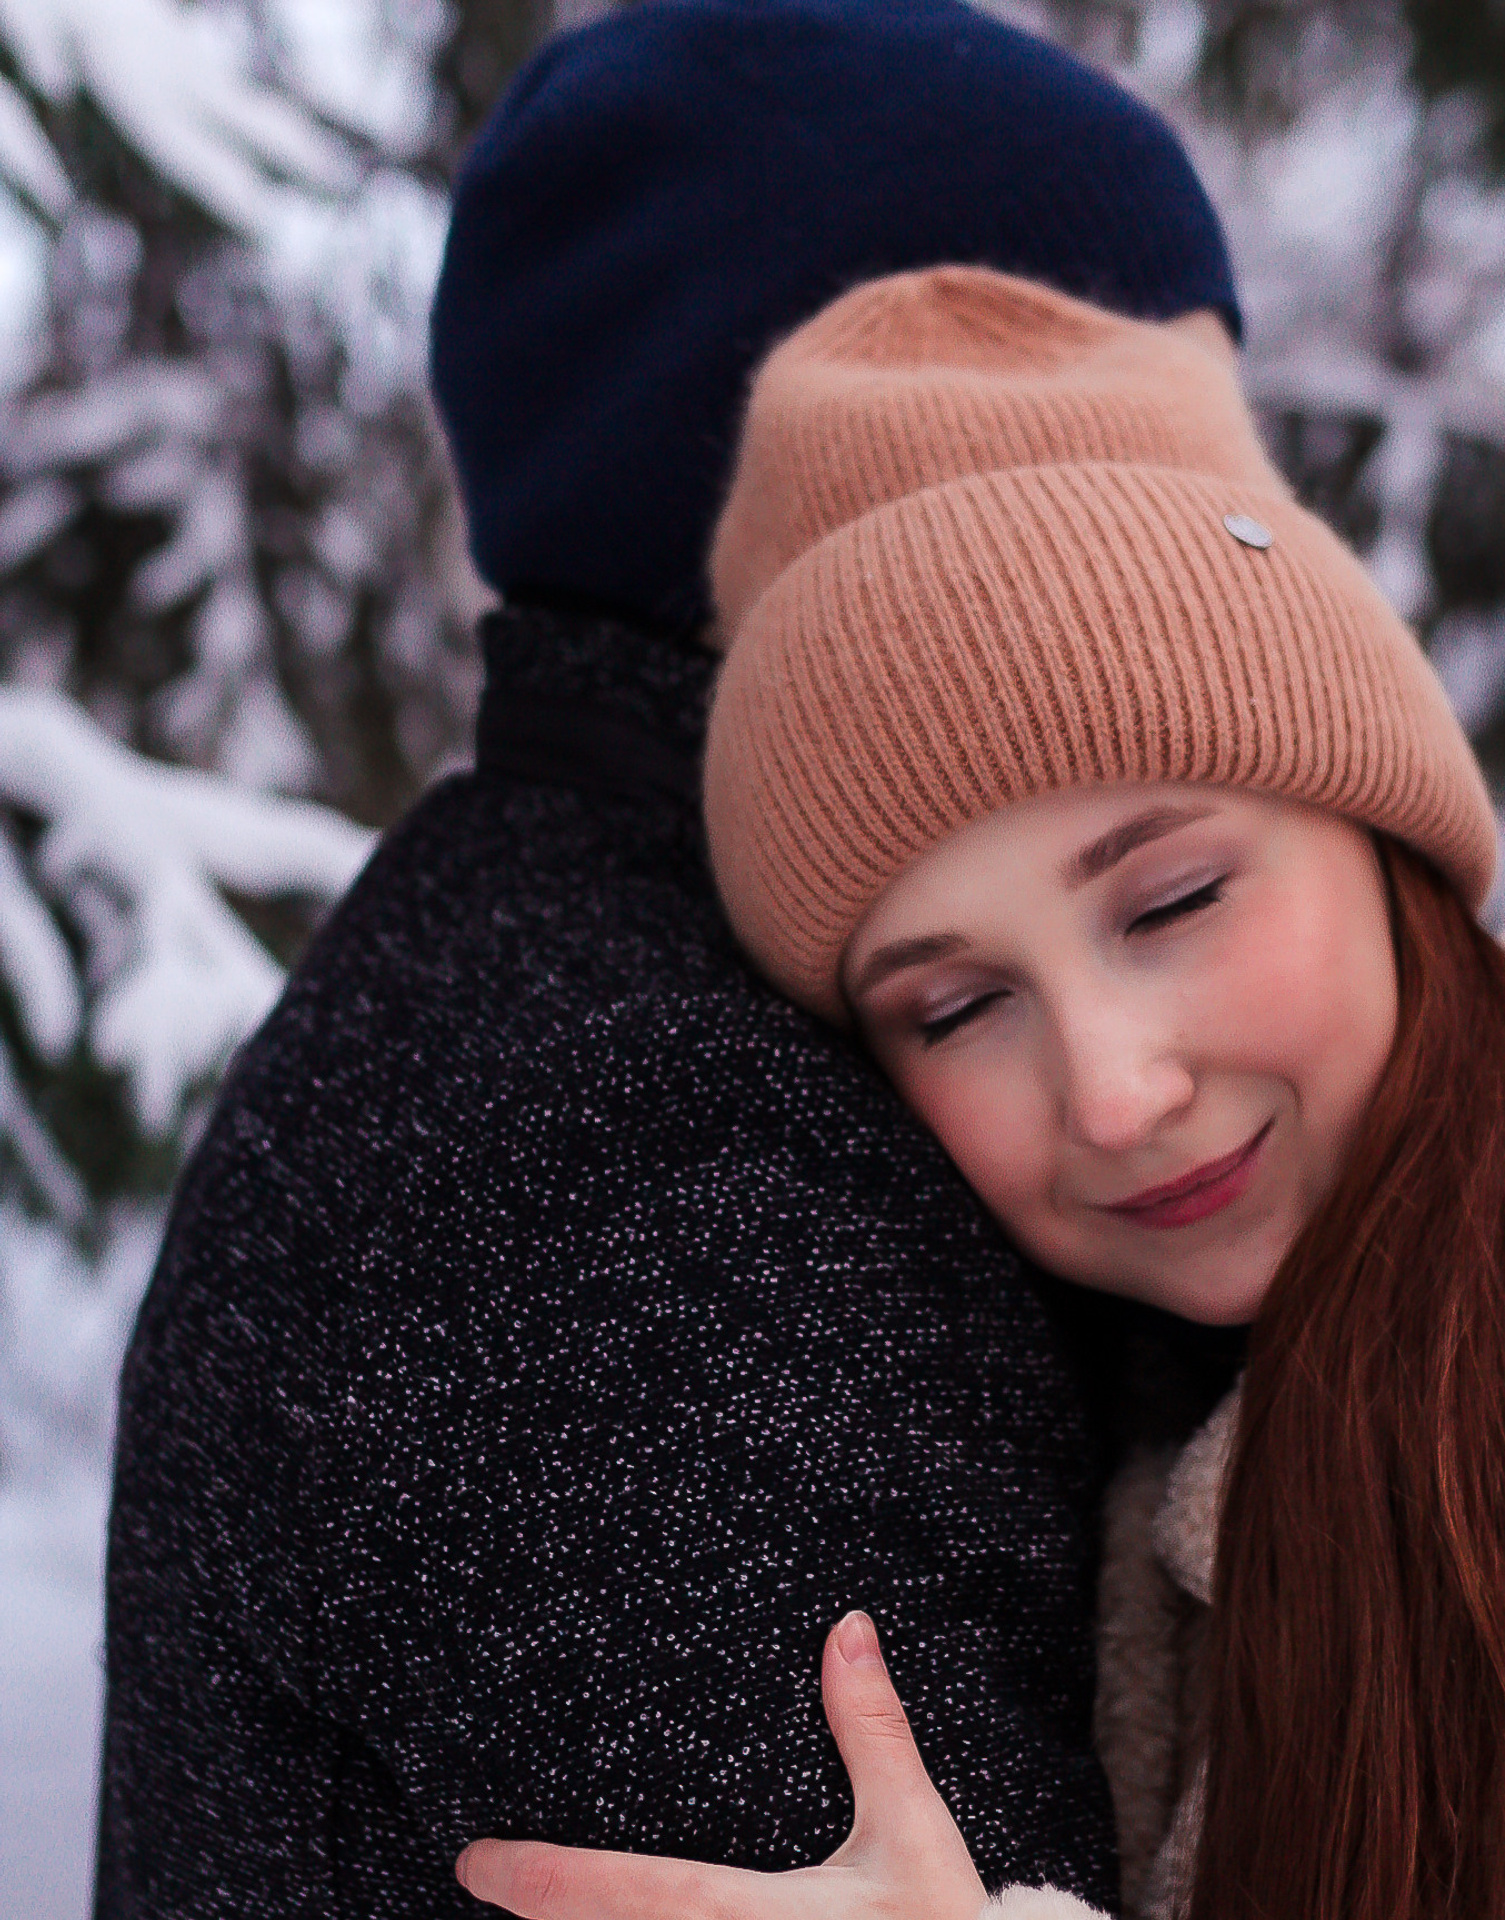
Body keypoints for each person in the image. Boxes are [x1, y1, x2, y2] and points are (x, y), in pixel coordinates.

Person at [456, 268, 1505, 1920]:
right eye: (957, 1007)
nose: (1118, 1094)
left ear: (1385, 838)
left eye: (1171, 903)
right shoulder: (1176, 1420)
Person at [93, 9, 1248, 1914]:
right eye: (1151, 425)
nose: (1234, 528)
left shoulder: (612, 980)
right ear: (867, 451)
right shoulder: (635, 1176)